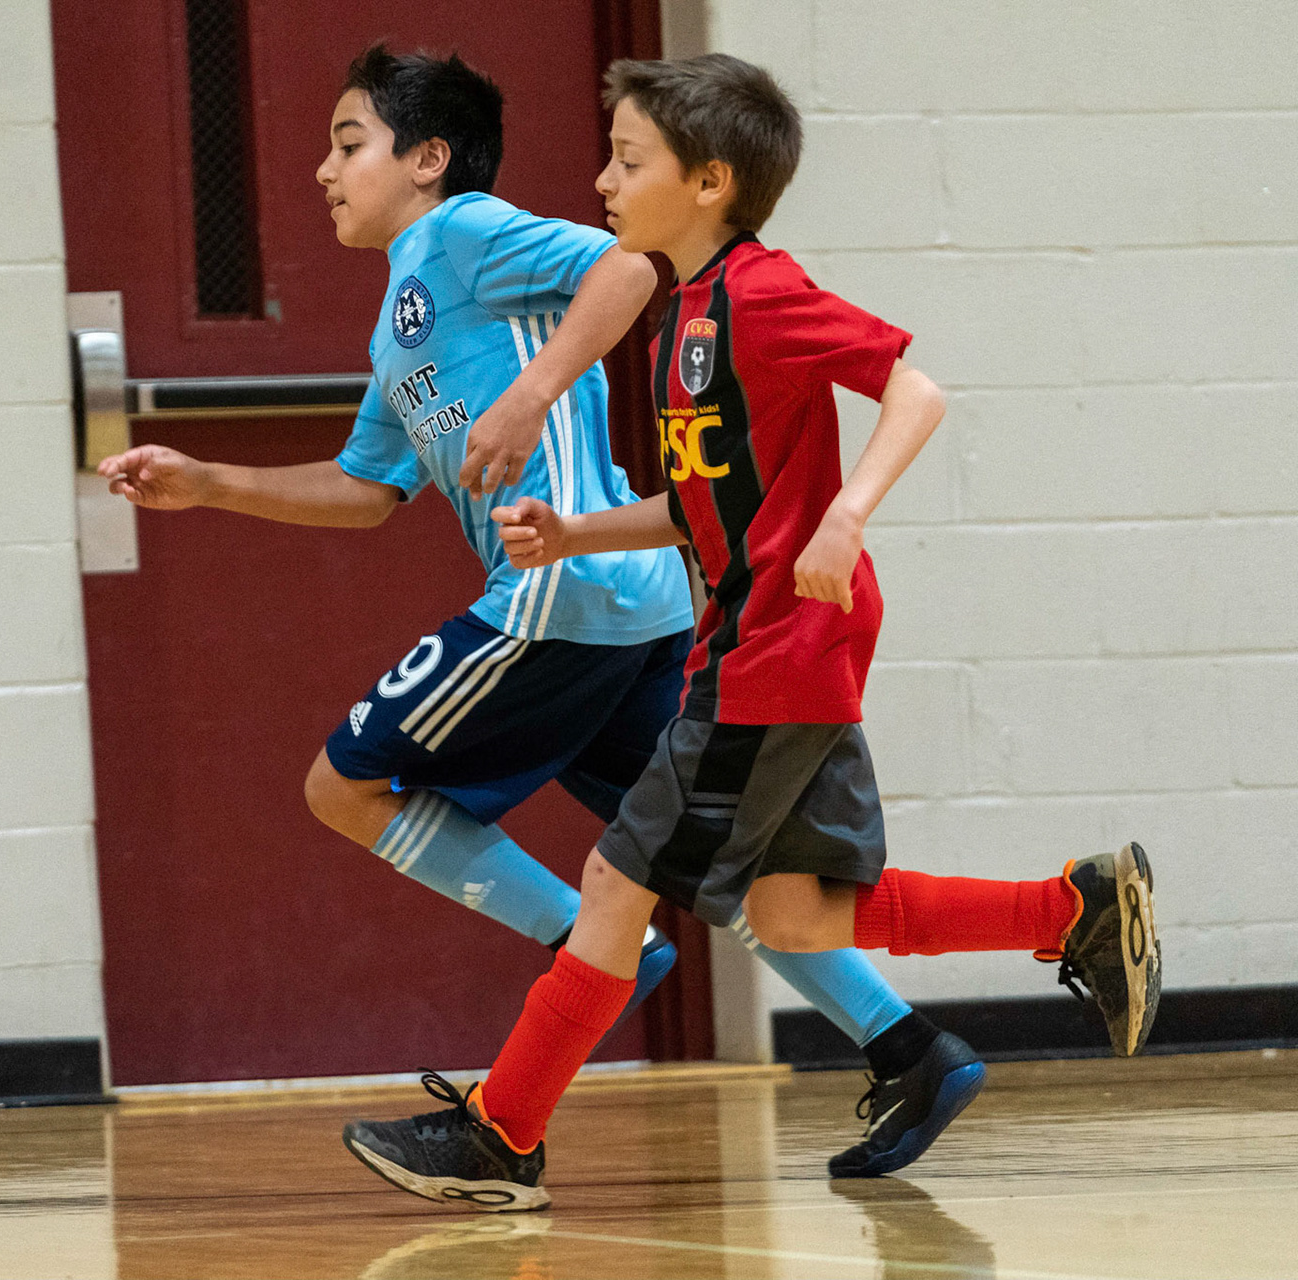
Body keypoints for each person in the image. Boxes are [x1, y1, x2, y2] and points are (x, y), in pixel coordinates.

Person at [102, 44, 984, 1178]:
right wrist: (210, 483)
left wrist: (531, 393)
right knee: (706, 861)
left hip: (558, 597)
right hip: (632, 605)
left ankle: (587, 948)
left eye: (348, 142)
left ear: (428, 159)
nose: (323, 170)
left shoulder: (465, 231)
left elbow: (628, 271)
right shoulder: (397, 323)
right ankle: (909, 1046)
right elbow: (367, 490)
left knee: (344, 783)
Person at [342, 53, 1161, 1211]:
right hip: (761, 644)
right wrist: (572, 533)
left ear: (710, 182)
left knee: (616, 880)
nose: (603, 181)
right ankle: (1070, 908)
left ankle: (501, 1132)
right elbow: (703, 505)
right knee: (791, 908)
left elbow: (915, 391)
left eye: (628, 161)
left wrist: (848, 511)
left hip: (778, 648)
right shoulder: (682, 316)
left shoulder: (760, 295)